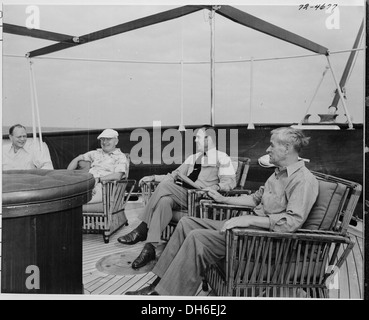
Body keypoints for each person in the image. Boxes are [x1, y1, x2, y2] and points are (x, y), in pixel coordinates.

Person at [125, 126, 319, 296]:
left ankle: (165, 296)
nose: (268, 149)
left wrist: (248, 221)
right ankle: (158, 284)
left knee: (197, 237)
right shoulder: (276, 174)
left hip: (262, 240)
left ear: (286, 148)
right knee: (187, 223)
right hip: (247, 230)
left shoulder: (303, 180)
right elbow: (254, 198)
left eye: (272, 145)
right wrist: (223, 199)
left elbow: (291, 222)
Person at [118, 125, 237, 269]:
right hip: (184, 195)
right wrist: (153, 177)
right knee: (164, 201)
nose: (195, 140)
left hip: (201, 200)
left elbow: (229, 182)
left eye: (198, 137)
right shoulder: (193, 158)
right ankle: (149, 248)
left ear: (208, 138)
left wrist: (213, 188)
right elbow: (173, 175)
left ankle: (143, 229)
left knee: (165, 187)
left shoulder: (222, 157)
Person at [67, 128, 129, 203]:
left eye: (108, 139)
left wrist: (98, 179)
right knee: (68, 198)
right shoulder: (95, 153)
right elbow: (77, 159)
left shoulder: (120, 156)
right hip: (88, 184)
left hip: (105, 187)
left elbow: (118, 175)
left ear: (116, 141)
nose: (105, 142)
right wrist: (67, 175)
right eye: (102, 139)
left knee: (74, 201)